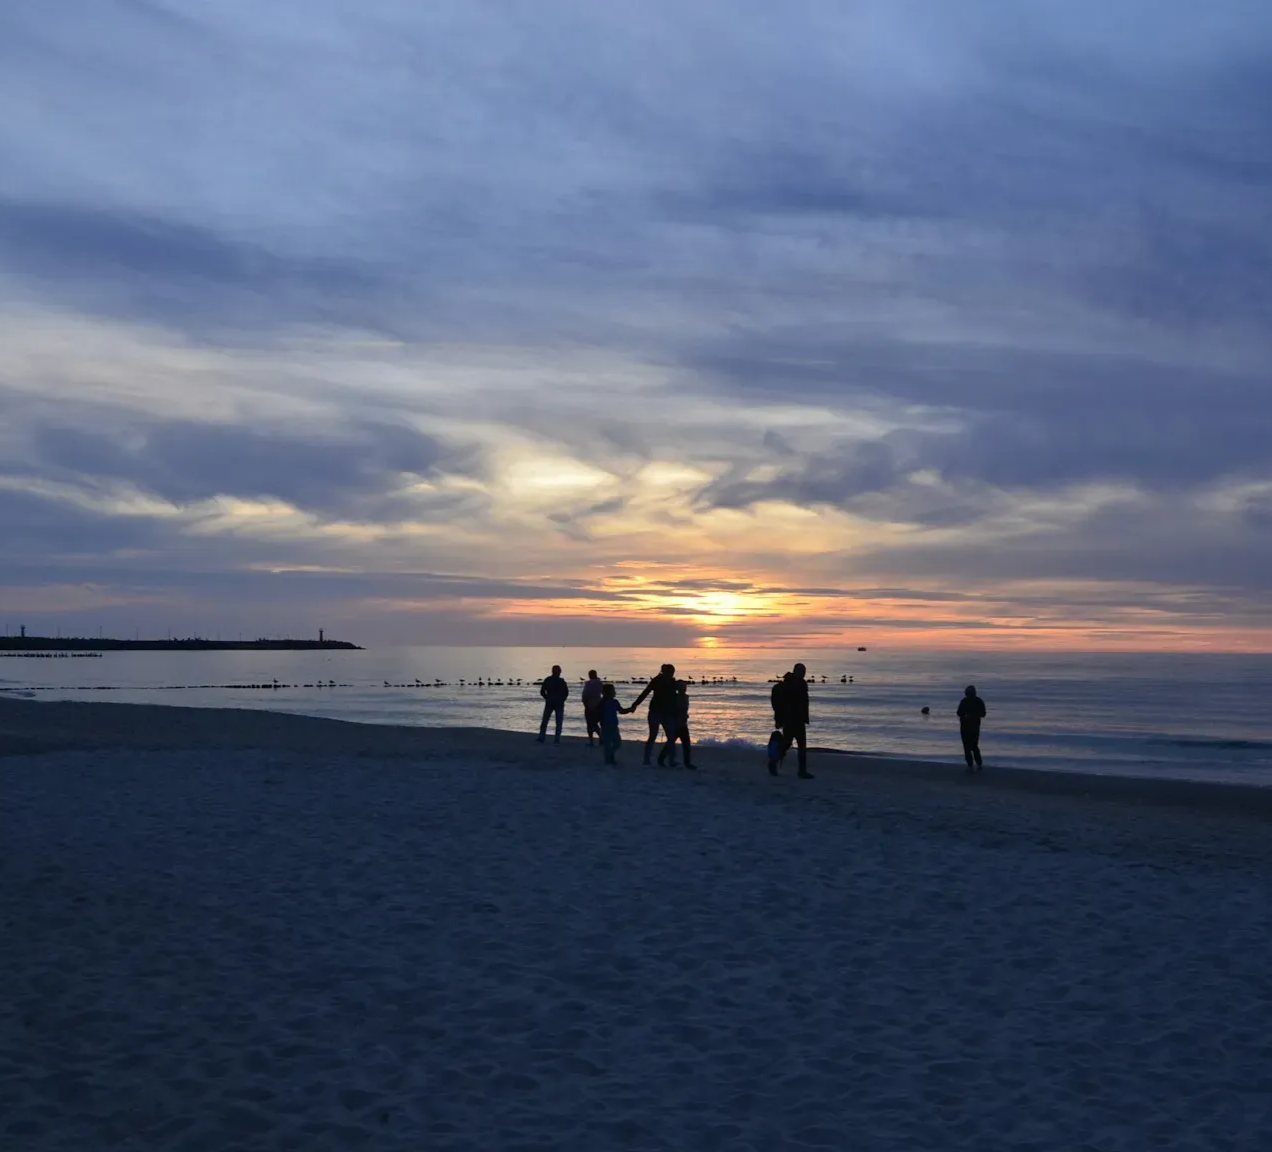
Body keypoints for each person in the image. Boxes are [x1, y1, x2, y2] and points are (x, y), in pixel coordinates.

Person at [629, 663, 679, 766]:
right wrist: (635, 704)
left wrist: (635, 704)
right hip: (657, 712)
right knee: (657, 736)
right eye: (671, 672)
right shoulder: (659, 681)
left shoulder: (665, 681)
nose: (672, 674)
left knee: (668, 736)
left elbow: (675, 699)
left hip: (663, 712)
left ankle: (668, 760)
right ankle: (651, 759)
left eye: (673, 672)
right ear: (665, 672)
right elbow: (645, 692)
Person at [780, 662, 813, 779]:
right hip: (789, 720)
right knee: (786, 744)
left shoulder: (803, 684)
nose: (803, 674)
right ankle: (774, 761)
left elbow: (805, 702)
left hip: (800, 720)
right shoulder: (788, 684)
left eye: (804, 672)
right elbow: (784, 703)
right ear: (796, 671)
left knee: (802, 746)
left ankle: (802, 771)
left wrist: (805, 717)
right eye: (801, 671)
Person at [658, 679, 696, 770]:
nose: (684, 689)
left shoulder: (685, 697)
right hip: (675, 724)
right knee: (671, 743)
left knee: (686, 744)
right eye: (682, 687)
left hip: (683, 723)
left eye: (685, 687)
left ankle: (687, 762)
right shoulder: (674, 698)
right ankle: (661, 759)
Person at [599, 682, 632, 765]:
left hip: (614, 725)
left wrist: (629, 709)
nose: (614, 692)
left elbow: (621, 711)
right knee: (607, 744)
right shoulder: (602, 703)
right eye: (613, 691)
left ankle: (610, 756)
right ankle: (609, 760)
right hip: (605, 726)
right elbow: (598, 714)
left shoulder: (615, 702)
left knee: (617, 743)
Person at [536, 664, 569, 744]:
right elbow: (566, 693)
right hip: (558, 703)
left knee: (545, 720)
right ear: (558, 672)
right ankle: (556, 739)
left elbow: (542, 691)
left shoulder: (548, 680)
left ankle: (542, 737)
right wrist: (562, 699)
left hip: (550, 702)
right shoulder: (561, 681)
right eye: (559, 671)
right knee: (558, 722)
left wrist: (547, 698)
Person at [957, 684, 987, 771]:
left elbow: (959, 713)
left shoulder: (965, 701)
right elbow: (983, 714)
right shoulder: (978, 701)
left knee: (968, 746)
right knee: (973, 746)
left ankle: (972, 764)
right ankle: (977, 763)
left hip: (967, 726)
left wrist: (968, 715)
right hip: (973, 726)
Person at [581, 670, 605, 747]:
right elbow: (603, 693)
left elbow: (584, 695)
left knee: (590, 724)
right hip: (599, 705)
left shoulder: (588, 683)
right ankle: (601, 737)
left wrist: (585, 704)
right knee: (595, 723)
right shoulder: (600, 683)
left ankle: (592, 741)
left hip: (589, 705)